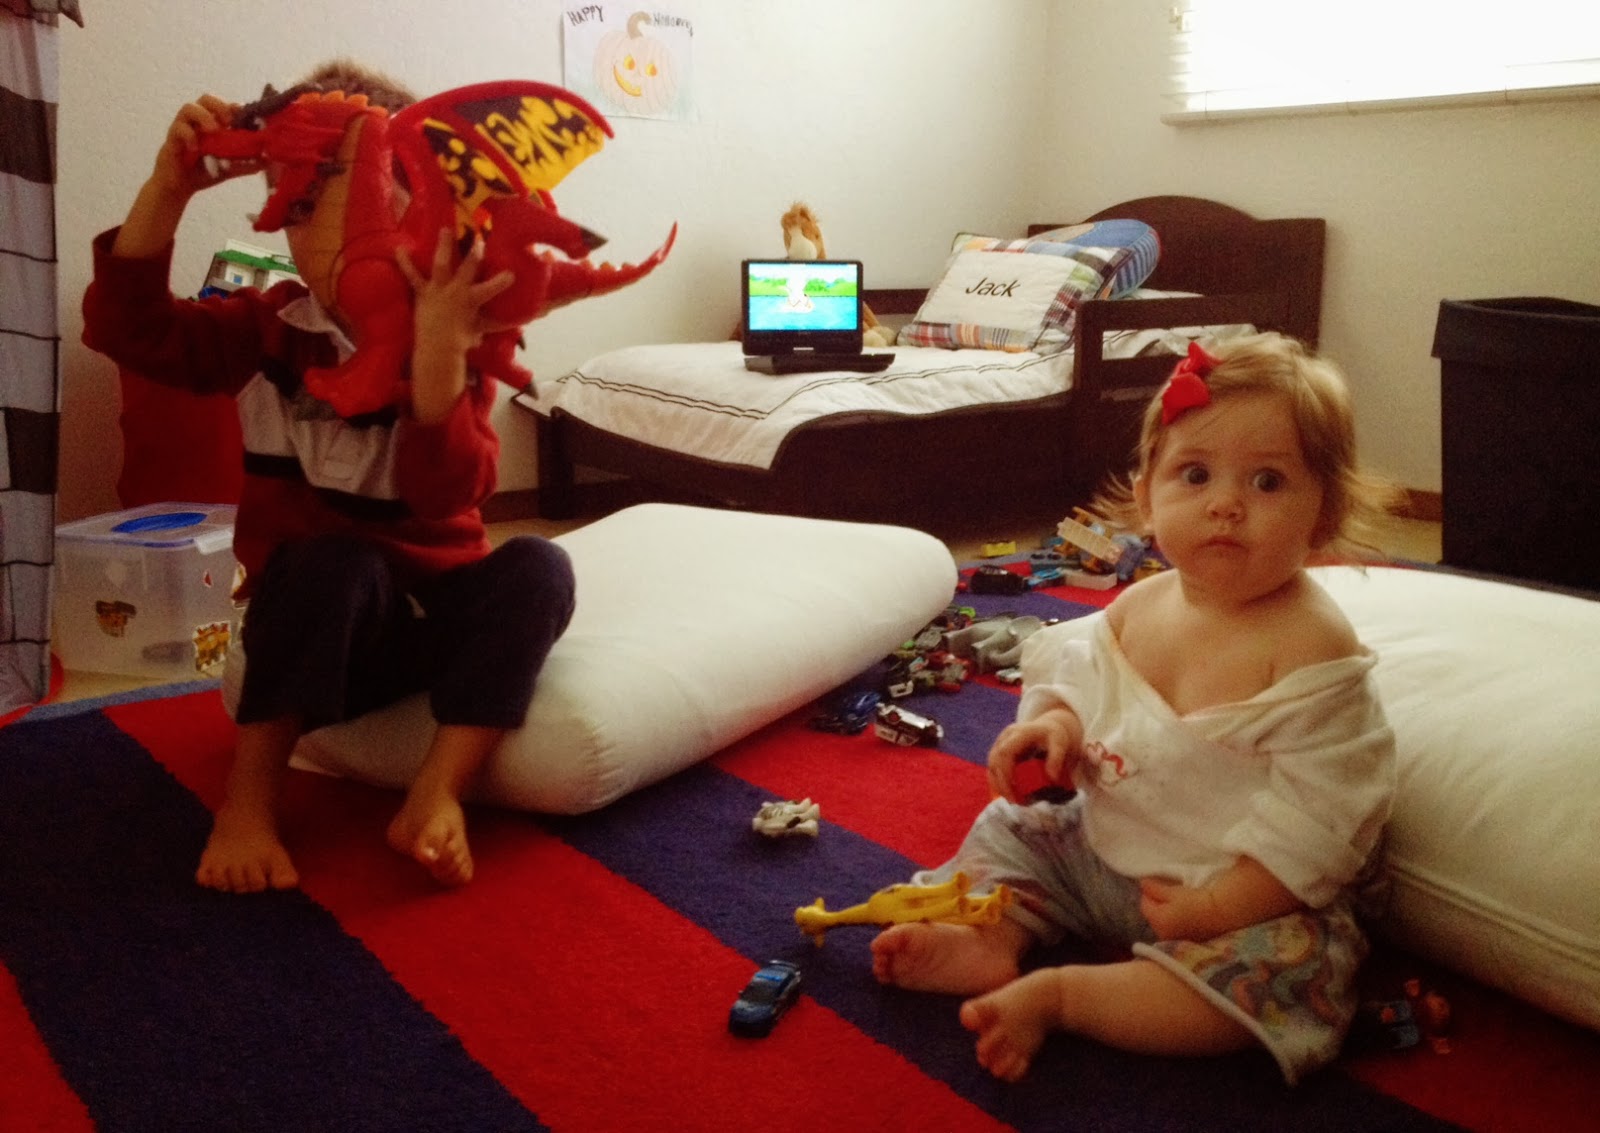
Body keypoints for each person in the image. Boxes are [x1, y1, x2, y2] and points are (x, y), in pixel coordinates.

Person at [81, 60, 576, 892]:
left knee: (539, 565)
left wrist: (439, 359)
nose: (335, 235)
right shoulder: (270, 327)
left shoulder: (462, 336)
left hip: (434, 624)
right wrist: (168, 189)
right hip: (318, 631)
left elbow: (447, 492)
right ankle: (247, 802)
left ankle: (437, 792)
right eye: (304, 208)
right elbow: (129, 330)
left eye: (369, 199)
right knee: (333, 560)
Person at [870, 334, 1399, 1086]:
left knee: (1292, 970)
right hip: (1103, 849)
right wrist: (1053, 728)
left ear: (1325, 511)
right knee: (1011, 829)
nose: (1224, 504)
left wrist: (1219, 906)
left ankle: (1070, 998)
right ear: (1148, 497)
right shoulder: (1140, 605)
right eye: (1195, 474)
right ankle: (995, 934)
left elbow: (1326, 816)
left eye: (1268, 481)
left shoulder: (1313, 645)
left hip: (1247, 892)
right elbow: (1084, 683)